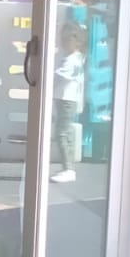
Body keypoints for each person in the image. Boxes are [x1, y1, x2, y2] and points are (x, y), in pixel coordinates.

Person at [51, 23, 87, 184]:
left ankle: (68, 169)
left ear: (76, 41)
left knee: (61, 134)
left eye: (67, 39)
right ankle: (68, 167)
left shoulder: (73, 60)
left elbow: (60, 75)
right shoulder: (73, 57)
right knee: (64, 133)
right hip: (64, 99)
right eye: (62, 38)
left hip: (67, 100)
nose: (63, 42)